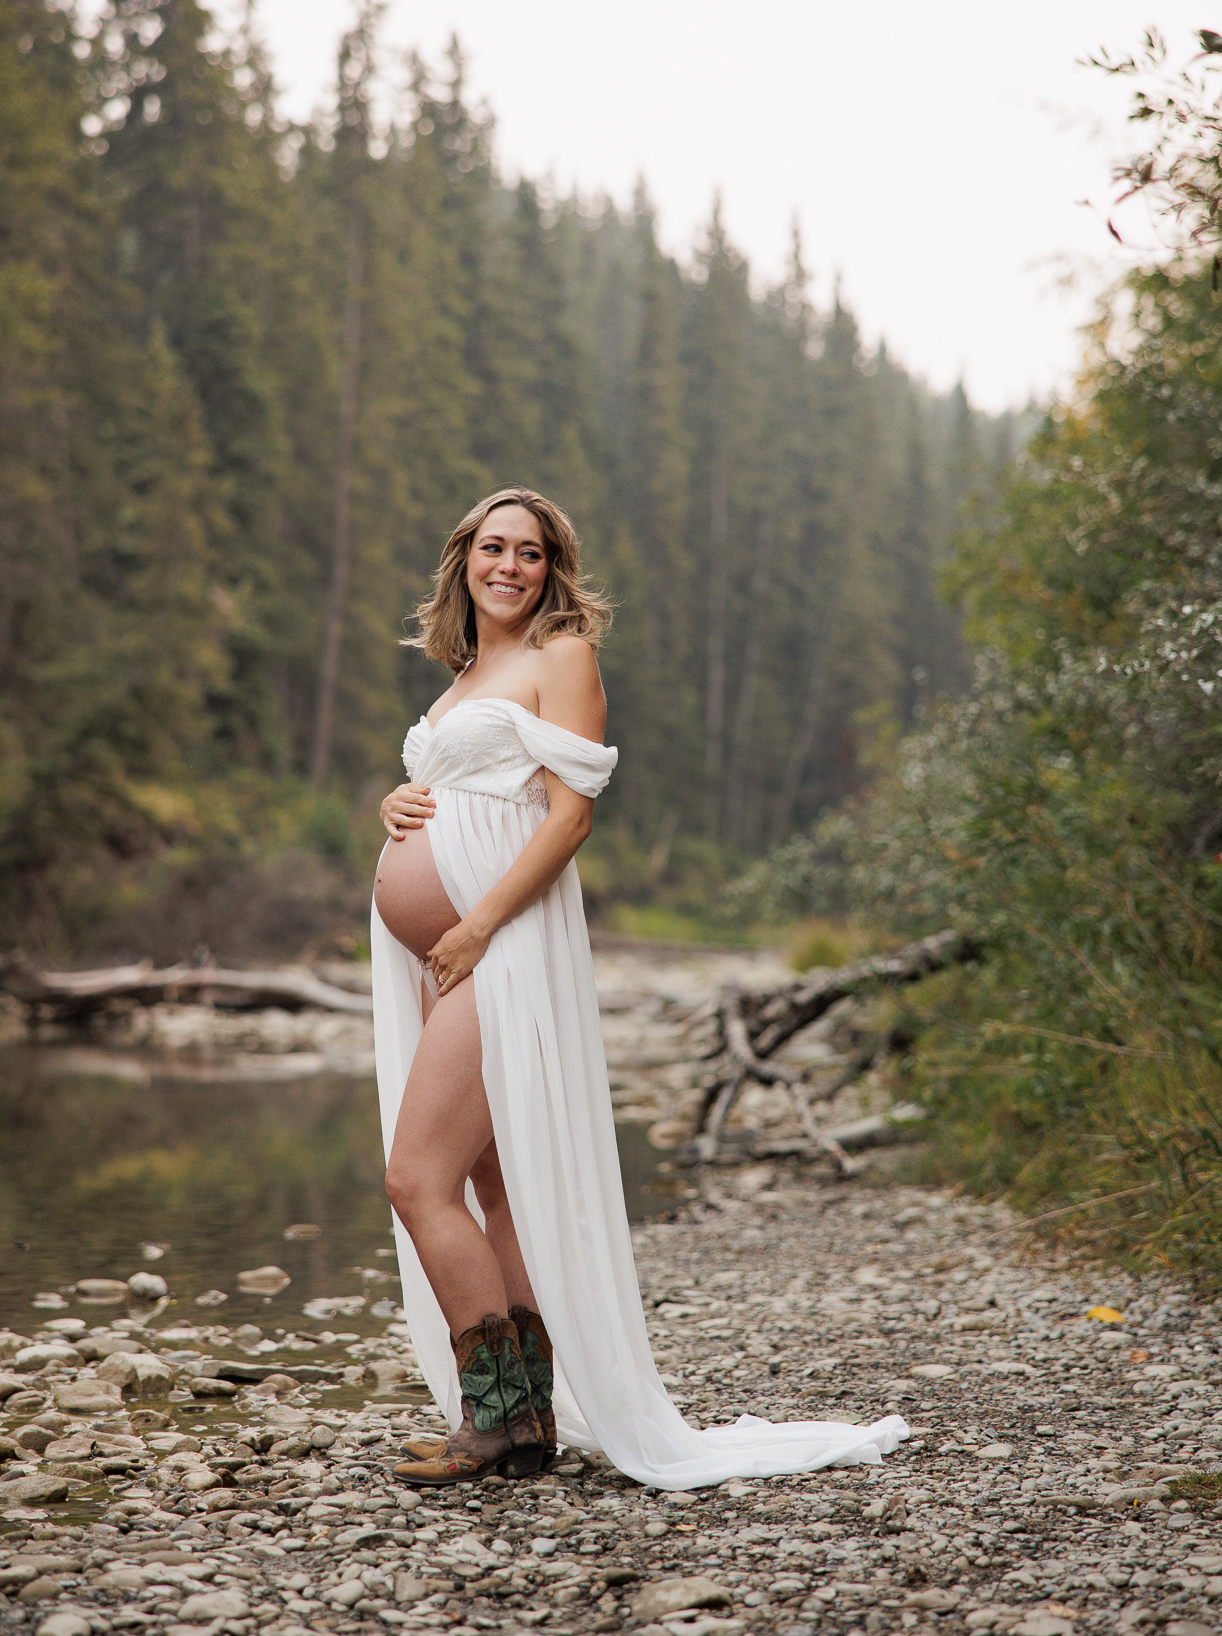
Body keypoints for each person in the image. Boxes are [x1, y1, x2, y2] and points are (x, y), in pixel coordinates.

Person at [370, 486, 908, 1488]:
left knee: (417, 1177)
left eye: (530, 553)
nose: (510, 565)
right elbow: (468, 790)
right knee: (493, 1185)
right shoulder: (466, 670)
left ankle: (494, 1417)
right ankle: (521, 1422)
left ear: (552, 569)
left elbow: (568, 819)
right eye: (493, 547)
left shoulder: (562, 656)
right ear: (462, 559)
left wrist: (479, 924)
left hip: (499, 947)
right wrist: (402, 801)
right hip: (450, 955)